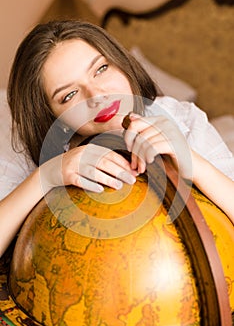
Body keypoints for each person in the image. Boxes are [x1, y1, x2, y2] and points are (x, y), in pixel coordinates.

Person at [0, 20, 233, 257]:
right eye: (69, 95)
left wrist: (191, 161)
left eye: (101, 69)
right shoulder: (25, 154)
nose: (97, 95)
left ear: (120, 61)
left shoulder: (183, 119)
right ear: (51, 116)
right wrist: (46, 176)